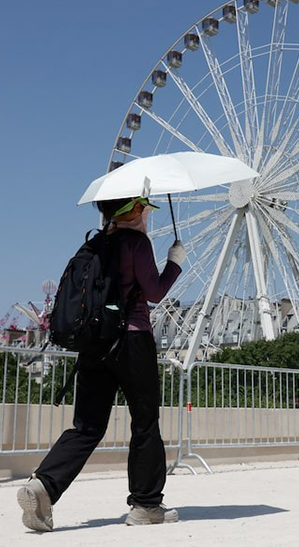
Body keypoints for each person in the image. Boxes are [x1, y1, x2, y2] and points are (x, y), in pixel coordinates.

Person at [17, 196, 185, 531]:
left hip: (94, 342)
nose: (147, 216)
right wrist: (175, 264)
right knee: (145, 422)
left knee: (87, 425)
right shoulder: (136, 243)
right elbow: (154, 291)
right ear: (134, 211)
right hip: (132, 338)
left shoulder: (92, 244)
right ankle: (146, 505)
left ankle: (43, 485)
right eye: (145, 209)